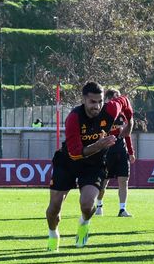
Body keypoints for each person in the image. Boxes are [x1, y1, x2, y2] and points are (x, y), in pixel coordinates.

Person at [45, 82, 131, 251]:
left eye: (100, 101)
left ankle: (84, 223)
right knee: (54, 207)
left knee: (87, 204)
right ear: (84, 99)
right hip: (68, 161)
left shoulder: (111, 109)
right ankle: (53, 233)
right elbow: (75, 153)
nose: (97, 106)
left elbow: (125, 102)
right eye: (92, 102)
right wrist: (99, 145)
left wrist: (130, 122)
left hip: (94, 164)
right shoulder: (73, 118)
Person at [95, 88, 135, 218]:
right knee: (104, 181)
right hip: (107, 151)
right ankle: (99, 205)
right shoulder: (104, 113)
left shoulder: (122, 116)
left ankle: (122, 209)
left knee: (123, 180)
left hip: (120, 150)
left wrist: (130, 151)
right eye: (115, 99)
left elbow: (126, 133)